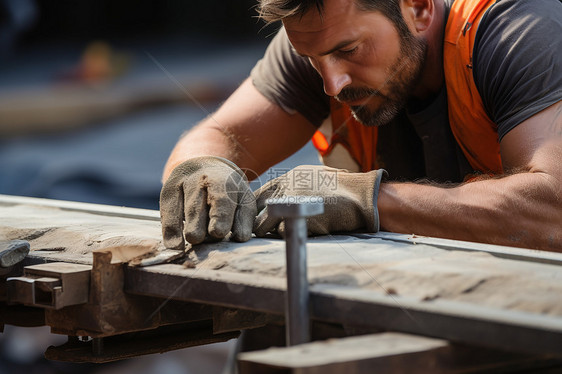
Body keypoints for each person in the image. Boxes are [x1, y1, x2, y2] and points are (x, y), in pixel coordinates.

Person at [160, 0, 562, 252]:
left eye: (349, 51)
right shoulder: (320, 37)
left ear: (418, 8)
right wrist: (200, 170)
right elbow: (215, 136)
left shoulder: (519, 33)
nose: (332, 85)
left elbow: (554, 213)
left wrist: (365, 199)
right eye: (312, 59)